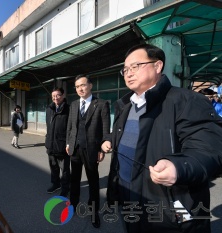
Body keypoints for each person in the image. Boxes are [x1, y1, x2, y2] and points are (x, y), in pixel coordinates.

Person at [105, 44, 222, 233]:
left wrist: (178, 166)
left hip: (169, 203)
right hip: (129, 193)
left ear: (158, 66)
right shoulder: (125, 106)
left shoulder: (186, 100)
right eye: (125, 69)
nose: (128, 73)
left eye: (135, 66)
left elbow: (210, 149)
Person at [66, 74, 111, 228]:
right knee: (74, 179)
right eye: (77, 86)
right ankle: (73, 204)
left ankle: (93, 213)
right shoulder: (73, 105)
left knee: (93, 182)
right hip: (75, 148)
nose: (80, 89)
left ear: (90, 85)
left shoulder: (101, 104)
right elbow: (70, 126)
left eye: (83, 85)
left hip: (92, 149)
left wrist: (101, 149)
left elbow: (105, 130)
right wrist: (68, 143)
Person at [45, 87, 70, 197]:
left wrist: (69, 143)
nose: (55, 98)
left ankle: (65, 188)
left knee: (64, 170)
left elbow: (71, 128)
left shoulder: (69, 109)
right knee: (53, 167)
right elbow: (48, 127)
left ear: (63, 95)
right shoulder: (49, 109)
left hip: (62, 146)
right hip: (50, 144)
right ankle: (56, 184)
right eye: (53, 96)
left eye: (58, 95)